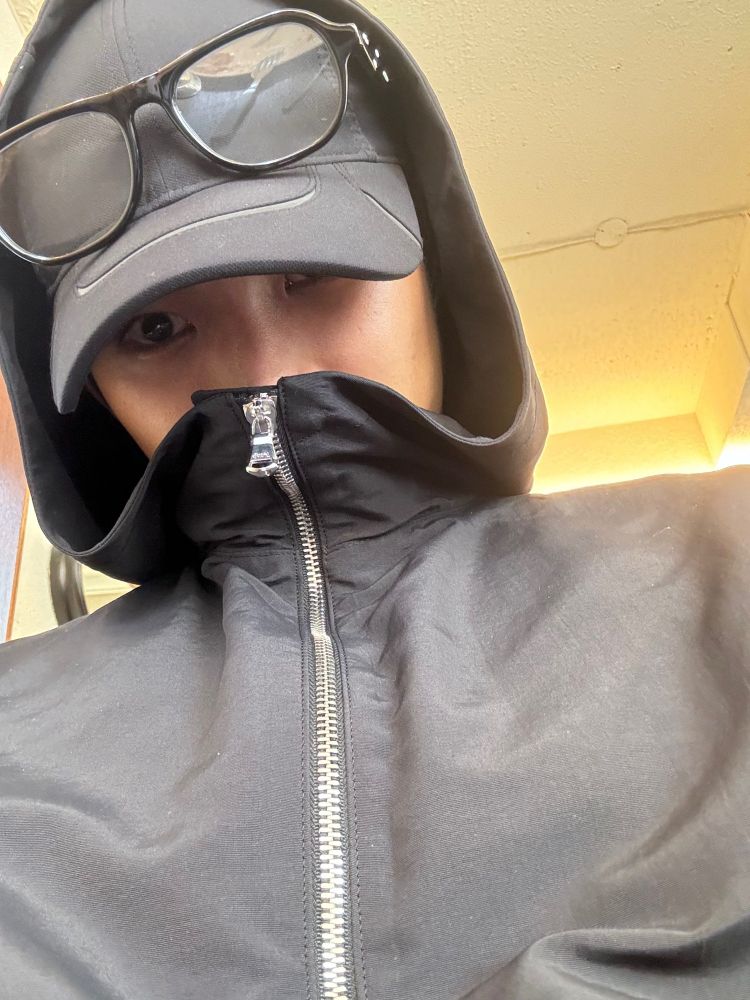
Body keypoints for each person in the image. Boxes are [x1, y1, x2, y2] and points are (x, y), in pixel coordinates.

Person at [0, 1, 748, 998]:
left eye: (312, 273)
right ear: (91, 397)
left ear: (436, 263)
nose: (265, 375)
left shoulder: (724, 562)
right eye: (155, 331)